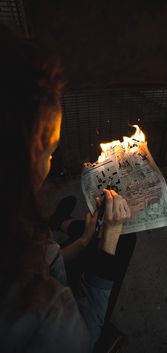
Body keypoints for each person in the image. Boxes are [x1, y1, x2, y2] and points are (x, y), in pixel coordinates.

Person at [0, 25, 133, 353]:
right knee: (124, 240)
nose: (50, 163)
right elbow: (82, 336)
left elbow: (44, 258)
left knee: (75, 230)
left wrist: (85, 240)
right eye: (47, 151)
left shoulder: (16, 229)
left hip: (50, 248)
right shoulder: (42, 314)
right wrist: (108, 240)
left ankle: (61, 224)